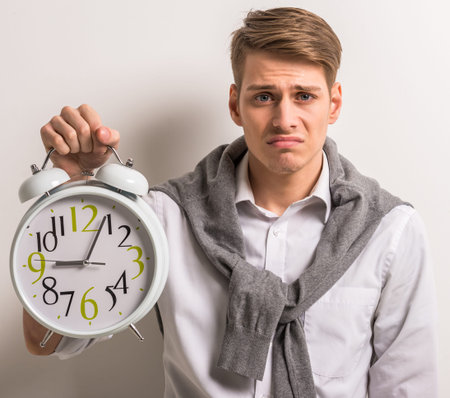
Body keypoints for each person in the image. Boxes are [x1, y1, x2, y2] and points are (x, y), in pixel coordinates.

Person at [23, 7, 438, 398]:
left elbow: (408, 387)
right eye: (263, 96)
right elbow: (46, 341)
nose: (284, 118)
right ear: (234, 104)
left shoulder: (389, 230)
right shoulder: (164, 219)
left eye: (305, 96)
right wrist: (74, 192)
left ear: (335, 103)